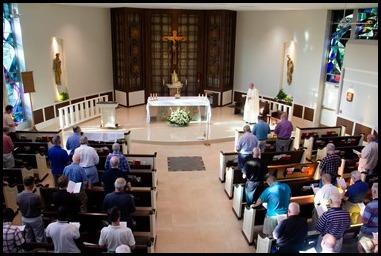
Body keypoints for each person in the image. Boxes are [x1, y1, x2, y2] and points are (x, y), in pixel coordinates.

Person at [16, 176, 45, 243]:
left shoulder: (18, 196)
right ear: (32, 184)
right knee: (39, 237)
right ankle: (40, 249)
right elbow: (41, 207)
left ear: (24, 184)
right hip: (36, 219)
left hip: (24, 218)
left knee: (28, 236)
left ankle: (29, 249)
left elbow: (18, 205)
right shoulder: (36, 197)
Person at [357, 183, 378, 253]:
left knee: (362, 248)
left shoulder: (370, 205)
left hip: (367, 233)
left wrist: (361, 213)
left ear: (374, 191)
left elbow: (365, 221)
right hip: (376, 233)